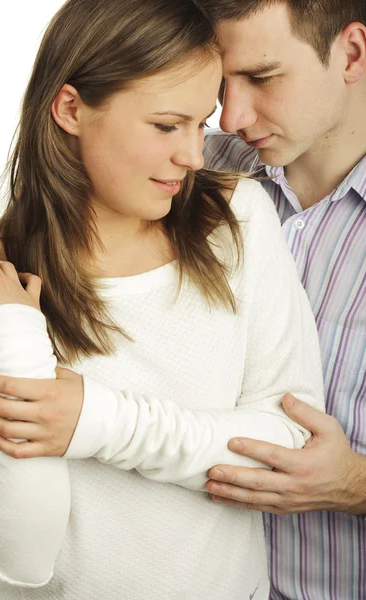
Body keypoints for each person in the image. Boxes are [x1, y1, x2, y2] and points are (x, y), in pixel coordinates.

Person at [0, 1, 325, 600]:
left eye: (199, 123)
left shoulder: (236, 219)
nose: (193, 155)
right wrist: (12, 339)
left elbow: (288, 448)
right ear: (72, 108)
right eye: (166, 126)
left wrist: (94, 421)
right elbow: (18, 555)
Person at [193, 1, 365, 599]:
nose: (231, 115)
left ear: (352, 53)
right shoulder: (188, 169)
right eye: (220, 83)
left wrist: (356, 484)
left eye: (262, 78)